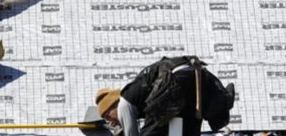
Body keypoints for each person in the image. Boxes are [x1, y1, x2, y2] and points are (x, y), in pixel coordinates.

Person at [95, 56, 235, 136]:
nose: (110, 122)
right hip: (198, 75)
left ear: (115, 104)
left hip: (175, 80)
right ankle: (224, 99)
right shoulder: (143, 94)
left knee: (152, 133)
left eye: (108, 116)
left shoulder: (125, 101)